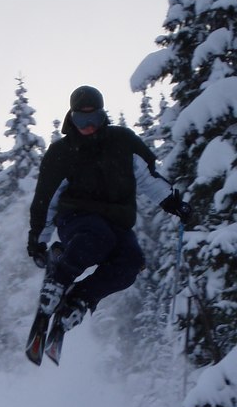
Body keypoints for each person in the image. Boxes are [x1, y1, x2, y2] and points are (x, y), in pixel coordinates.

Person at [27, 85, 192, 334]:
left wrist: (173, 202)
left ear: (103, 116)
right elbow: (46, 199)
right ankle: (58, 280)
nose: (88, 126)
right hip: (76, 218)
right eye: (81, 119)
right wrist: (38, 241)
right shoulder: (62, 153)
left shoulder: (123, 142)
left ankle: (80, 299)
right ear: (71, 118)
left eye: (94, 118)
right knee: (96, 237)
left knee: (131, 263)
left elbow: (147, 178)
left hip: (116, 222)